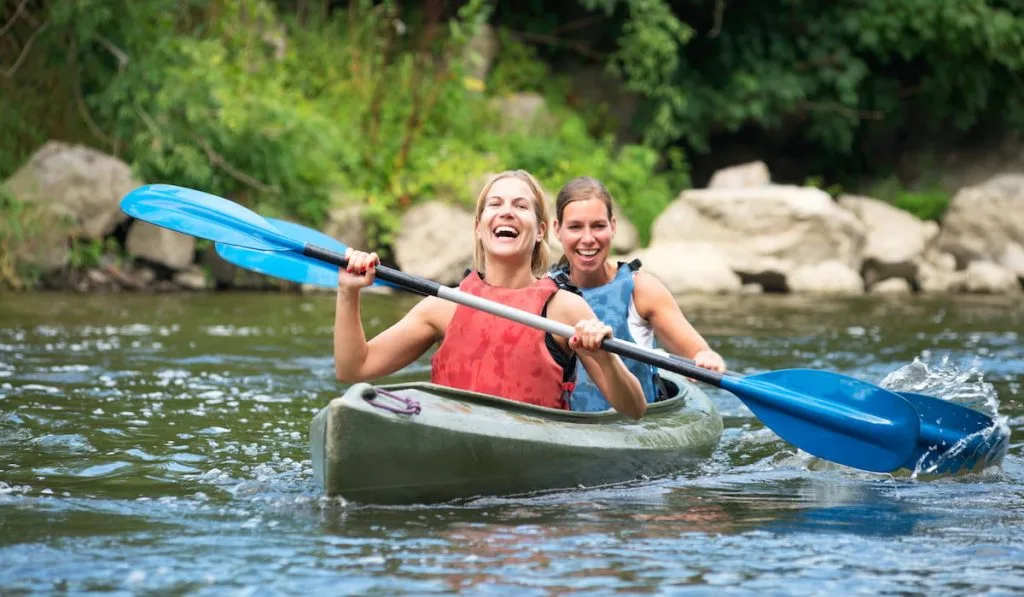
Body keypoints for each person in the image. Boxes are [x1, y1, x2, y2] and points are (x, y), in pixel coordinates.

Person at [333, 170, 647, 419]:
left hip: (534, 483)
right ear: (479, 227)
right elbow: (354, 368)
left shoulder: (564, 309)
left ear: (540, 231)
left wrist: (605, 358)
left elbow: (635, 409)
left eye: (520, 206)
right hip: (454, 448)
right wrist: (349, 293)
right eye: (495, 204)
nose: (507, 212)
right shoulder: (443, 307)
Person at [551, 175, 726, 412]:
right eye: (575, 227)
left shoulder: (641, 289)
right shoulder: (545, 291)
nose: (588, 238)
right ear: (556, 230)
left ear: (613, 227)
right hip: (568, 430)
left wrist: (707, 359)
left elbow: (699, 353)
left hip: (636, 427)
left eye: (598, 226)